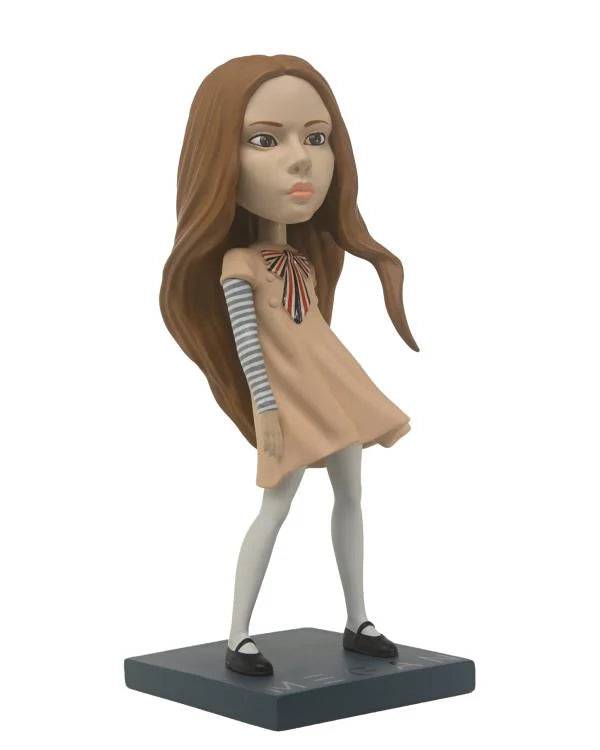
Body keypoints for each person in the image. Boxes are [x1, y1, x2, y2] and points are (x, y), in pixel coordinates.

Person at [160, 55, 419, 676]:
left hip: (335, 391)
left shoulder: (302, 259)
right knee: (275, 508)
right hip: (287, 404)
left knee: (351, 496)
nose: (301, 159)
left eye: (317, 137)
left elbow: (311, 333)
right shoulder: (238, 266)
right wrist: (266, 409)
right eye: (265, 140)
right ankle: (238, 635)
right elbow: (249, 345)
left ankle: (358, 618)